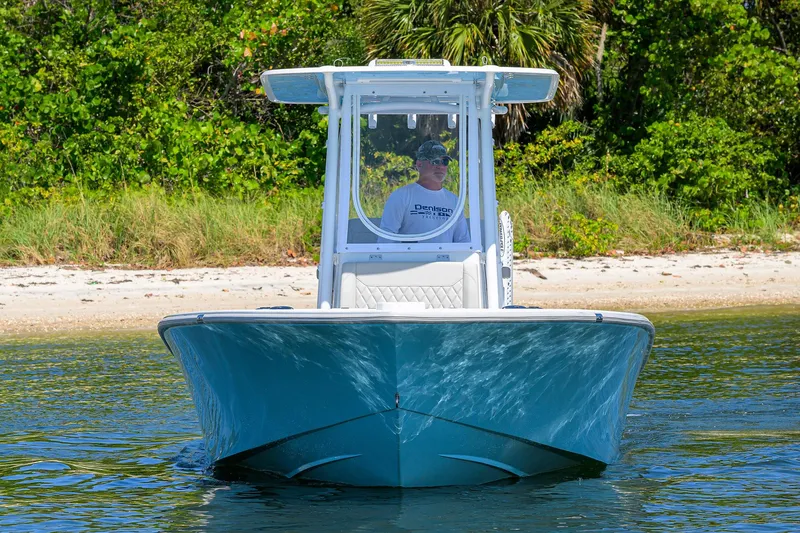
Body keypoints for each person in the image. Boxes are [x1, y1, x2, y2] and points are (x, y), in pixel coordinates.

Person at [378, 140, 470, 243]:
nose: (440, 166)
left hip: (445, 259)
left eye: (444, 161)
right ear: (419, 164)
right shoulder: (401, 196)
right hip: (413, 259)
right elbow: (385, 241)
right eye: (434, 161)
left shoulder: (454, 201)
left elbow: (463, 241)